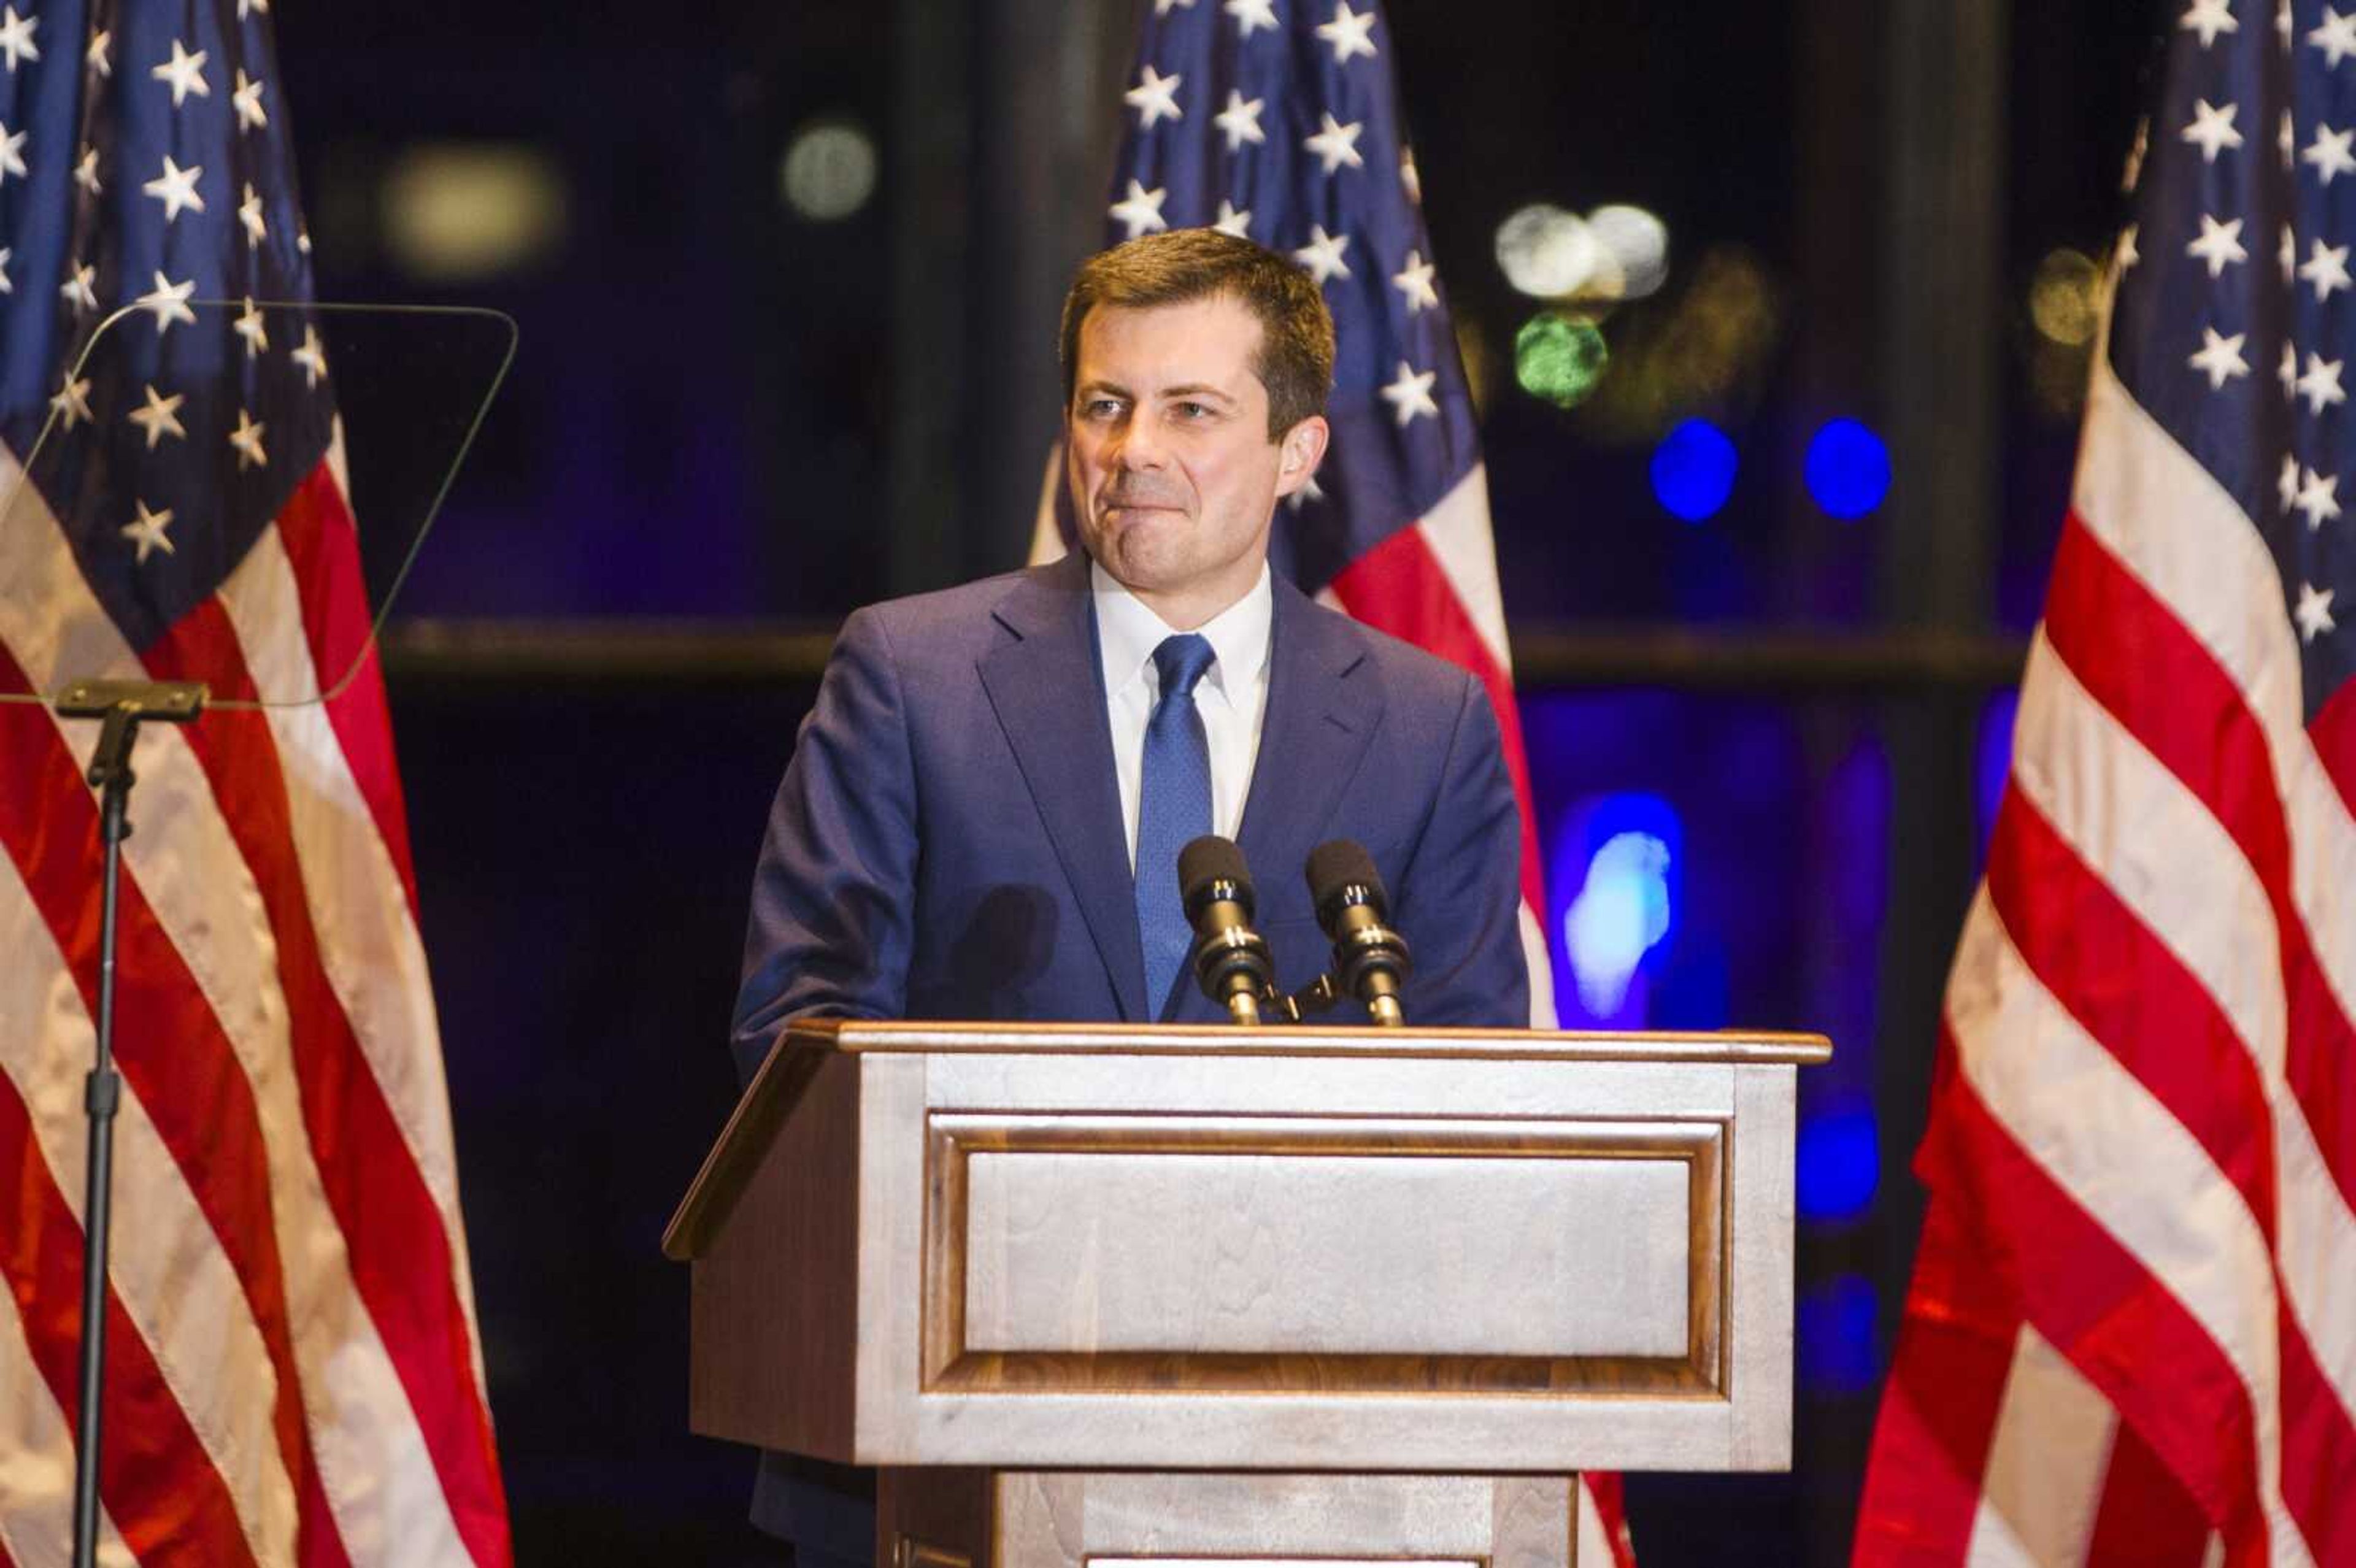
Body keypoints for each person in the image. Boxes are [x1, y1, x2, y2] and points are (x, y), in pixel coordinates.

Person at [729, 227, 1530, 1562]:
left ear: (1299, 453)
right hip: (944, 1449)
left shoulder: (1425, 723)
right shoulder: (913, 675)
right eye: (1105, 405)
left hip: (1305, 1464)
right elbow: (799, 1038)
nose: (1131, 449)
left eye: (1190, 410)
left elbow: (1474, 1085)